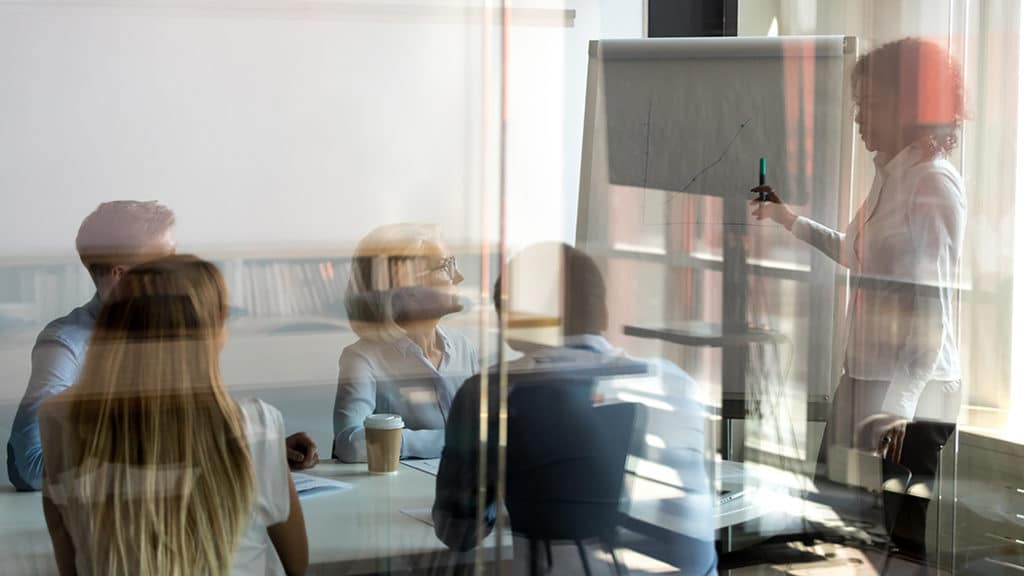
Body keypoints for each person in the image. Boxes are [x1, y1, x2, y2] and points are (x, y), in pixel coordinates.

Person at [751, 38, 966, 557]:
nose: (857, 118)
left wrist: (897, 410)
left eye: (868, 104)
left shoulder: (932, 186)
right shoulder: (890, 177)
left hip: (908, 397)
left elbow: (931, 310)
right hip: (865, 381)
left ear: (907, 107)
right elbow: (854, 253)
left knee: (896, 546)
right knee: (831, 525)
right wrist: (787, 218)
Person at [432, 243, 717, 576]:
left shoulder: (494, 393)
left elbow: (459, 532)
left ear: (508, 327)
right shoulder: (673, 381)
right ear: (604, 314)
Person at [7, 201, 318, 491]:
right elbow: (32, 468)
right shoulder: (66, 346)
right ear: (122, 277)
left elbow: (184, 433)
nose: (182, 271)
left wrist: (260, 445)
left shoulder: (171, 332)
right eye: (167, 262)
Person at [38, 255, 308, 576]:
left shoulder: (60, 420)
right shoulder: (257, 424)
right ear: (211, 335)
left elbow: (70, 562)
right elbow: (298, 564)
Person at [333, 223, 478, 462]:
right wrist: (453, 441)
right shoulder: (362, 359)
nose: (459, 276)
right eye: (446, 266)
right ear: (406, 287)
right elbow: (349, 442)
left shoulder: (463, 346)